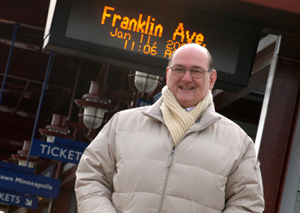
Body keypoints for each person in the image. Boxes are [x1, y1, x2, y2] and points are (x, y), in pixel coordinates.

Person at [75, 43, 265, 212]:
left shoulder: (237, 142)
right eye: (179, 69)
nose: (187, 78)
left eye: (196, 71)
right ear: (167, 74)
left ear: (212, 78)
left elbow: (247, 204)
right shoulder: (122, 124)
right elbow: (91, 176)